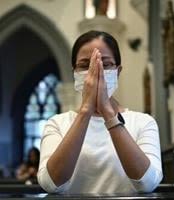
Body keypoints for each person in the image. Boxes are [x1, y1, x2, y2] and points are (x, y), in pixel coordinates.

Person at [37, 30, 163, 194]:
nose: (95, 72)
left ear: (117, 72)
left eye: (105, 64)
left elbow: (147, 183)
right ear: (74, 72)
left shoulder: (143, 122)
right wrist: (85, 111)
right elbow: (50, 183)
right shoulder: (57, 124)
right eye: (84, 65)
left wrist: (109, 114)